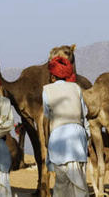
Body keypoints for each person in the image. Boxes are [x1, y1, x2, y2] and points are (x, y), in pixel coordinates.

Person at [42, 56, 89, 197]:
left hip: (58, 138)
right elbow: (83, 114)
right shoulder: (76, 88)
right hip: (78, 136)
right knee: (79, 180)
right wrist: (88, 135)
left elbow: (46, 117)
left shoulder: (47, 90)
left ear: (52, 76)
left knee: (61, 182)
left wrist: (46, 139)